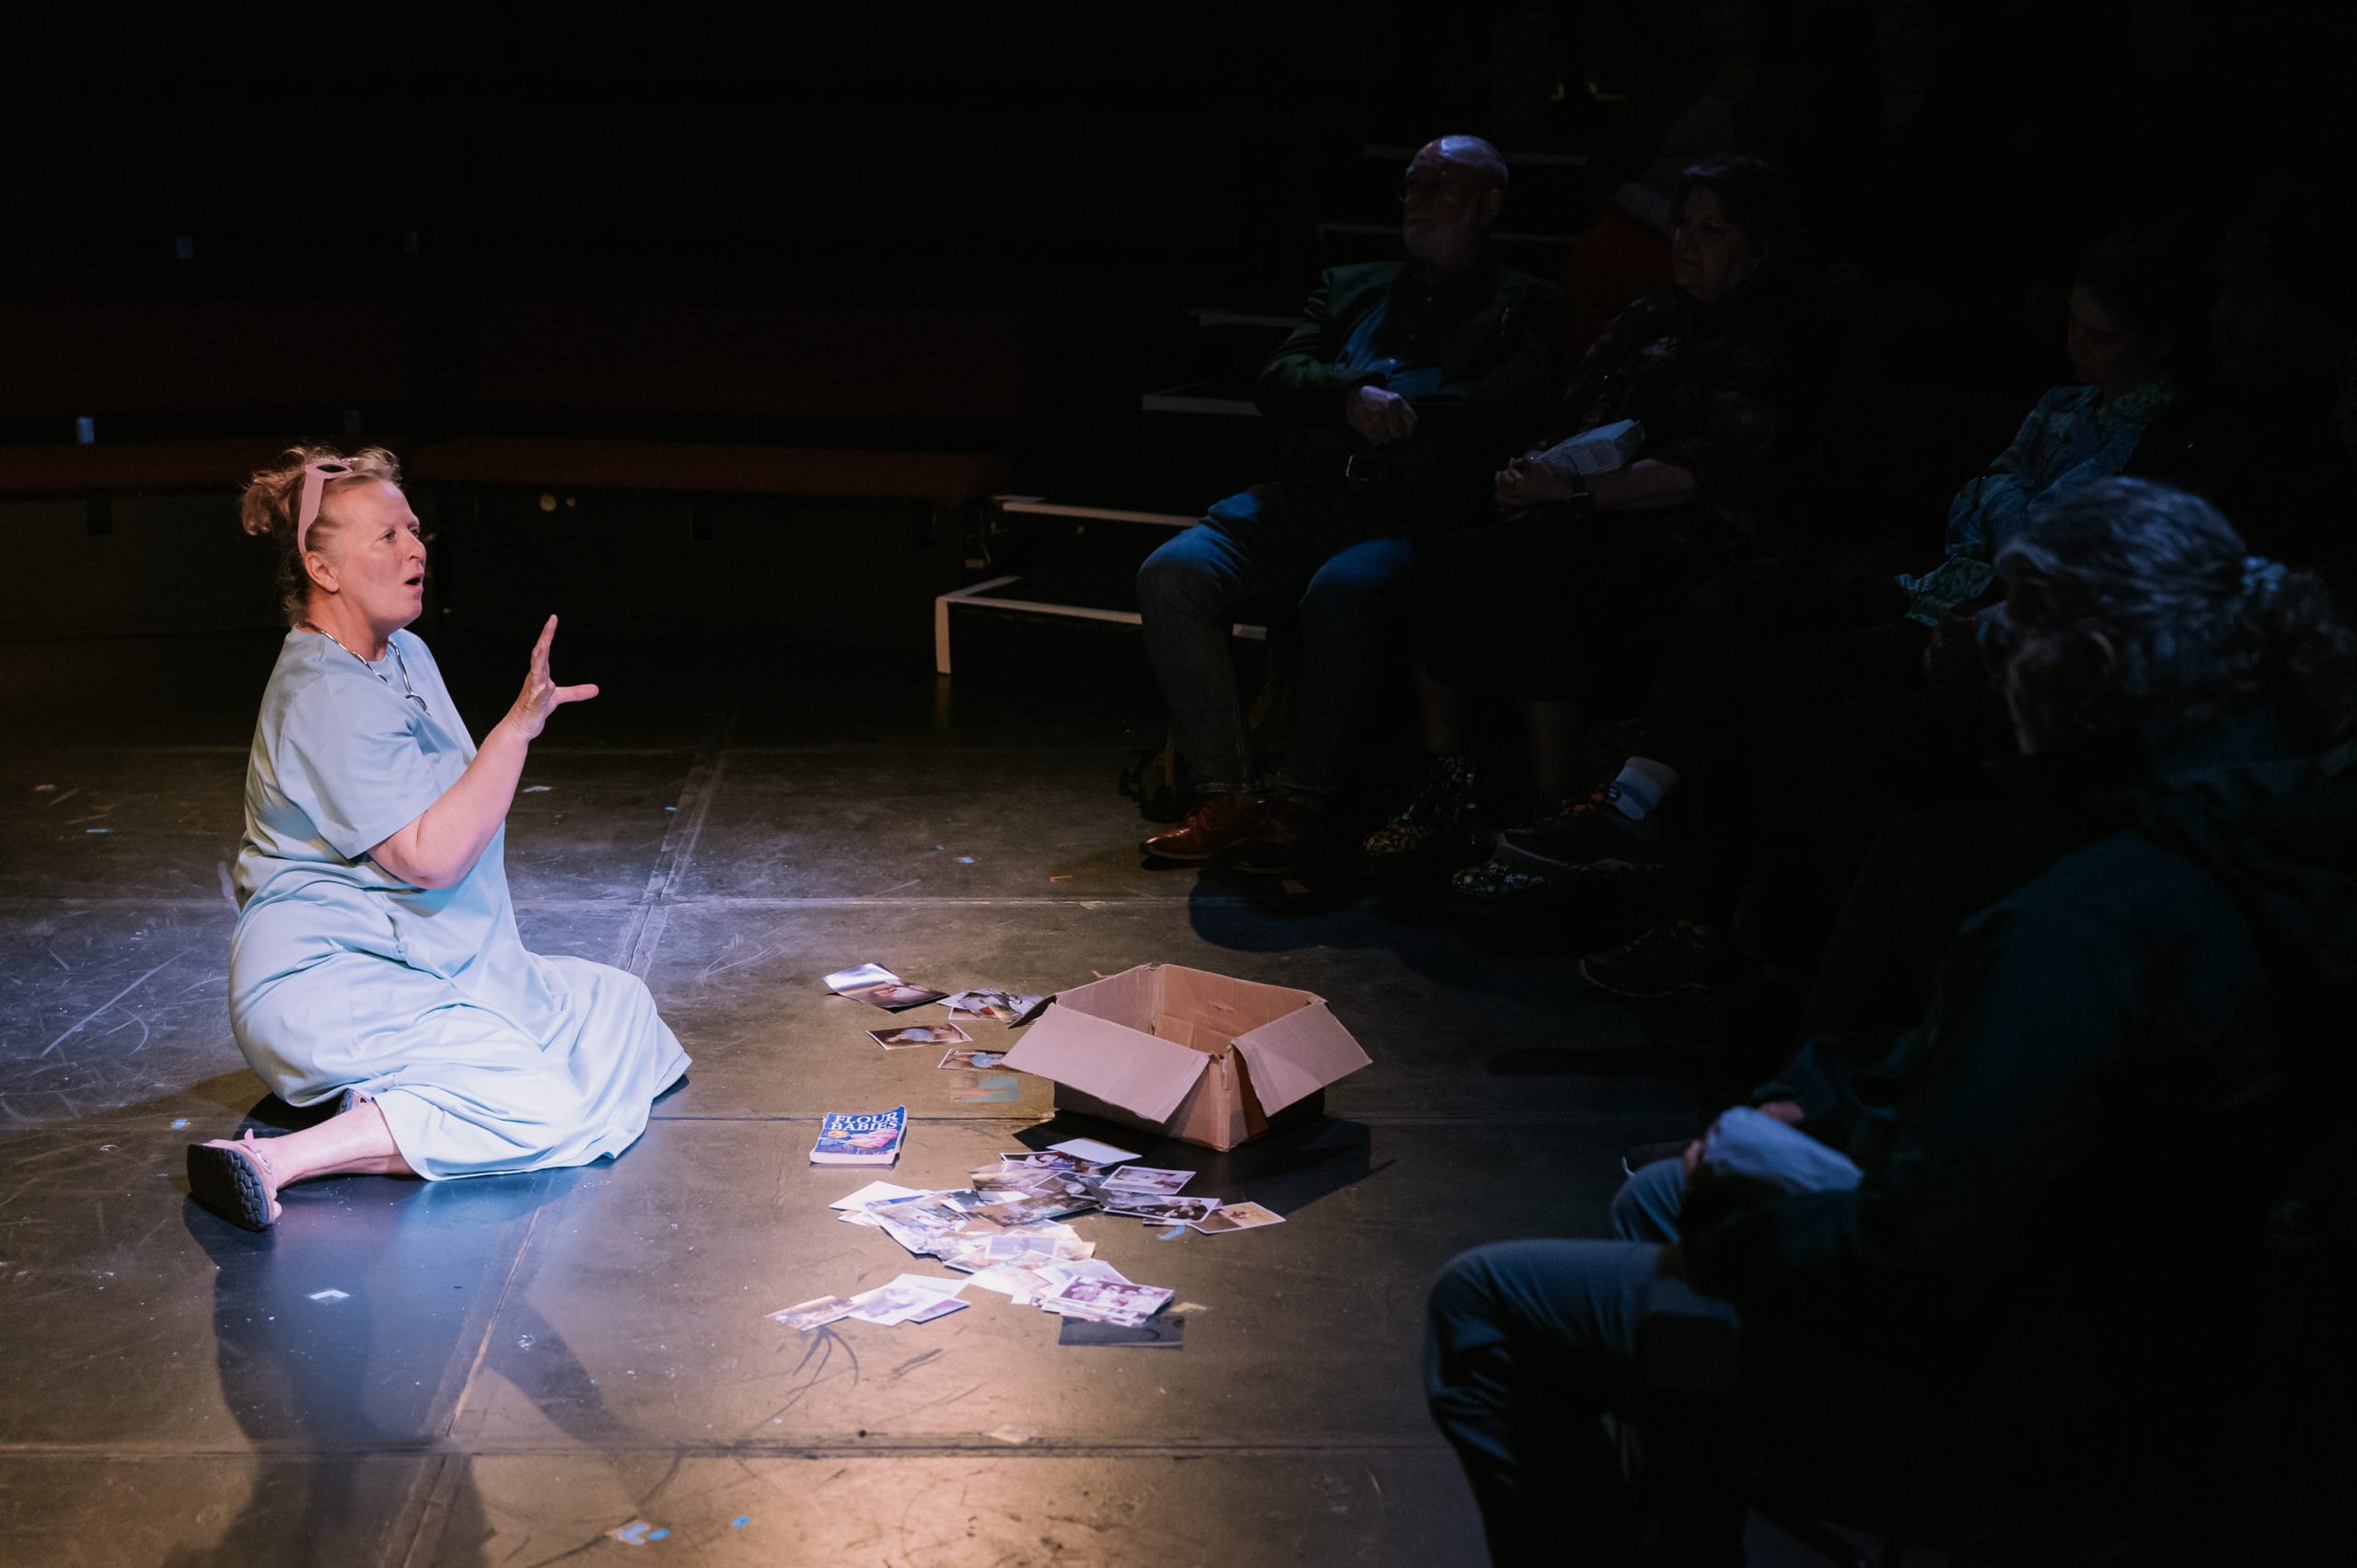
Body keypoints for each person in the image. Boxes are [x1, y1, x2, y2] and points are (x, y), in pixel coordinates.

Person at [1425, 478, 2357, 1563]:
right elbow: (2016, 1104)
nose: (1990, 642)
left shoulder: (2089, 919)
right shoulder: (2272, 845)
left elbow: (1923, 1251)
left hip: (2015, 1392)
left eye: (2018, 615)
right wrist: (1816, 1100)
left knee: (1484, 1297)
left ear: (2091, 667)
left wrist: (1742, 1220)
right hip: (2156, 1337)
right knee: (1660, 1192)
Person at [185, 447, 689, 1231]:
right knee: (537, 1097)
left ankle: (409, 1100)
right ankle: (274, 1158)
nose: (416, 548)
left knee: (620, 1009)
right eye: (386, 536)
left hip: (415, 955)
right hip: (323, 978)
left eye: (414, 529)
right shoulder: (320, 692)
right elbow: (431, 855)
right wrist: (517, 730)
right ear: (323, 568)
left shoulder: (405, 653)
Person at [1361, 156, 1817, 890]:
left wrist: (1570, 495)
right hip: (1580, 505)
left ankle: (1556, 803)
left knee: (1553, 582)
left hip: (1690, 530)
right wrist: (1529, 473)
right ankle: (1447, 779)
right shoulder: (1648, 318)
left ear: (1756, 248)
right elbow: (1574, 416)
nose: (1687, 243)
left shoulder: (1770, 337)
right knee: (1450, 558)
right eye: (1682, 225)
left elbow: (1707, 471)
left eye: (1712, 230)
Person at [1134, 134, 1564, 875]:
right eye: (1411, 185)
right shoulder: (1350, 285)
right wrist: (1346, 395)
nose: (1419, 201)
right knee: (1172, 572)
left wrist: (1402, 407)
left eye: (1442, 186)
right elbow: (1278, 377)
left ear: (1490, 205)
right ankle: (1228, 793)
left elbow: (1508, 402)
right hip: (1304, 498)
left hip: (1407, 510)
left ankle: (1302, 799)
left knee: (1343, 590)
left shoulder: (1526, 304)